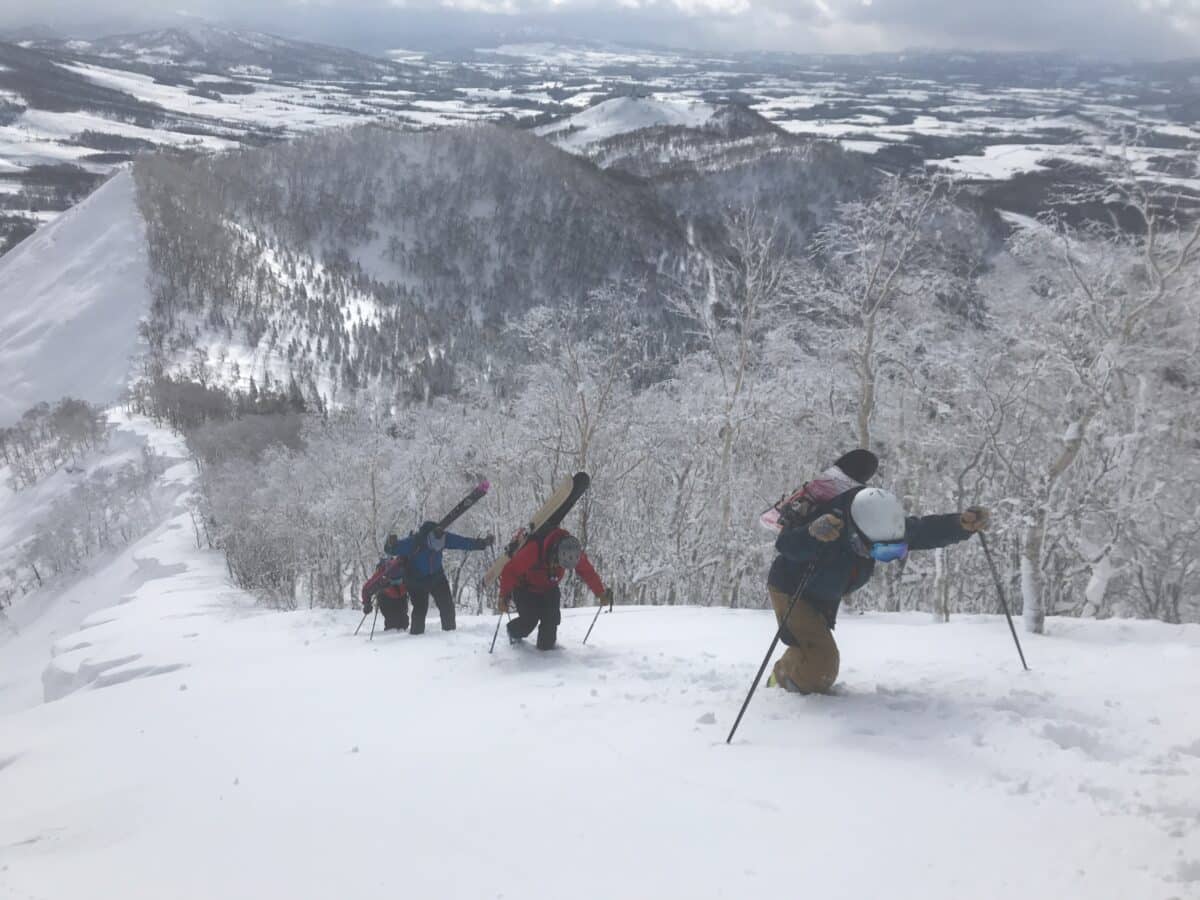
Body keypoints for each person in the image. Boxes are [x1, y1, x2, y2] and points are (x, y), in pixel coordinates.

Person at [767, 482, 990, 694]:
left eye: (892, 552)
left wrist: (959, 525)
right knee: (822, 667)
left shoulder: (882, 526)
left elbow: (923, 530)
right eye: (879, 551)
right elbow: (786, 544)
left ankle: (795, 668)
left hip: (825, 592)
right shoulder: (829, 526)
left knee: (813, 647)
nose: (881, 558)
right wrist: (811, 534)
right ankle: (780, 680)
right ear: (856, 536)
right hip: (793, 591)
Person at [499, 529, 612, 650]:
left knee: (550, 626)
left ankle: (547, 657)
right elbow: (510, 571)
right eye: (556, 563)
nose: (557, 566)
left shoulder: (572, 552)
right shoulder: (534, 549)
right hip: (525, 588)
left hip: (549, 588)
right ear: (554, 552)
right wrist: (503, 596)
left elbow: (587, 571)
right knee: (529, 621)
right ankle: (513, 632)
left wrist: (600, 593)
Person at [384, 523, 494, 634]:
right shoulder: (414, 542)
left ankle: (450, 634)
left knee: (447, 606)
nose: (437, 549)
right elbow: (391, 550)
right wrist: (390, 543)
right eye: (433, 547)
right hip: (415, 580)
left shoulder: (444, 537)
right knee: (420, 609)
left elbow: (462, 542)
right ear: (428, 539)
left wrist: (482, 543)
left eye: (439, 548)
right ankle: (416, 639)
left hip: (436, 577)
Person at [361, 549, 410, 632]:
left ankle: (401, 641)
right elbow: (367, 589)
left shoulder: (408, 570)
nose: (396, 582)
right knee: (392, 621)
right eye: (394, 580)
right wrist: (367, 604)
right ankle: (388, 641)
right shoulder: (382, 574)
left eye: (398, 580)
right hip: (385, 596)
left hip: (401, 596)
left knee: (404, 622)